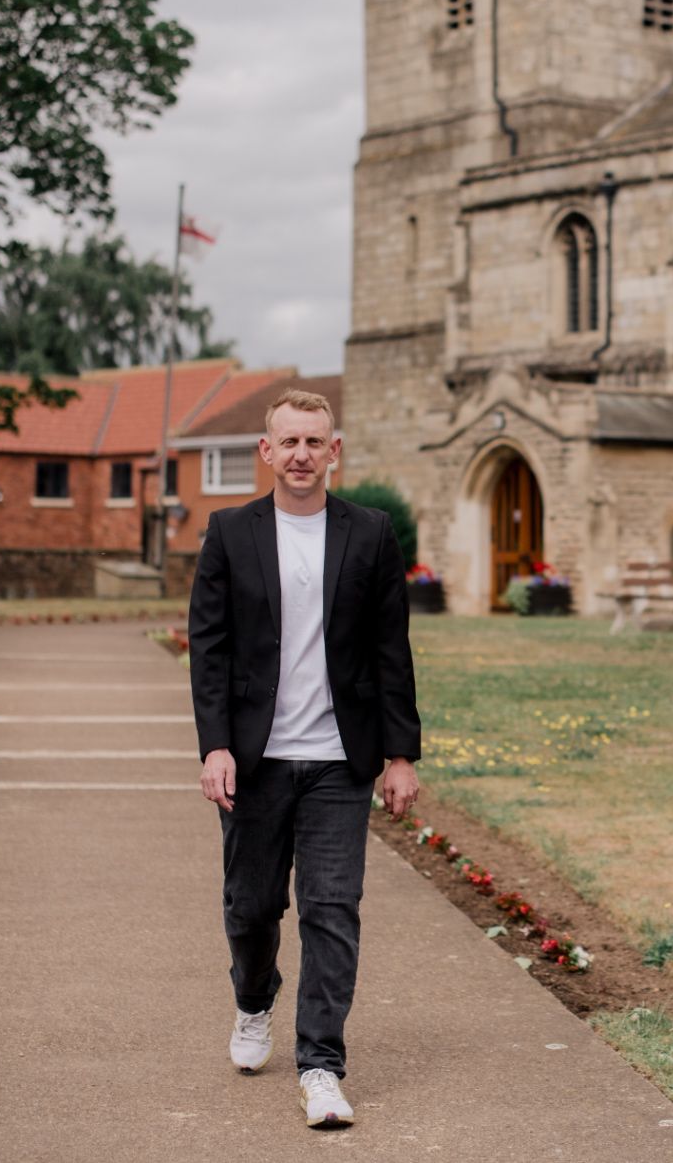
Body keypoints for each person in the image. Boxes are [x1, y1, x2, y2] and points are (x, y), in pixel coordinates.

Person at [187, 387, 421, 1129]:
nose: (300, 455)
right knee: (251, 906)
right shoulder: (229, 533)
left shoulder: (371, 533)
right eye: (287, 442)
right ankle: (254, 1000)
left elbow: (391, 651)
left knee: (331, 908)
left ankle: (322, 1063)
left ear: (334, 451)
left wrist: (400, 754)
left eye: (313, 442)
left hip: (336, 762)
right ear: (266, 451)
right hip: (255, 760)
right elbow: (210, 649)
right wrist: (216, 744)